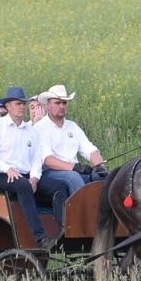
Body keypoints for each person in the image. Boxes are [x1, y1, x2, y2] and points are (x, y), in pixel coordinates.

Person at [0, 86, 51, 246]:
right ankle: (40, 236)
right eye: (18, 104)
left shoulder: (31, 130)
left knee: (58, 185)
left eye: (24, 104)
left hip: (24, 175)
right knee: (23, 186)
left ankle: (62, 231)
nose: (22, 107)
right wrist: (6, 168)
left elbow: (37, 159)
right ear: (8, 106)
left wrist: (34, 177)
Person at [31, 84, 105, 217]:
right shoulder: (40, 128)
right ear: (48, 105)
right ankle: (85, 220)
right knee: (74, 178)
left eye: (64, 103)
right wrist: (74, 167)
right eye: (57, 103)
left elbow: (90, 150)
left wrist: (100, 166)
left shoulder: (73, 126)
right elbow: (47, 160)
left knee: (104, 177)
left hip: (72, 169)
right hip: (50, 172)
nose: (62, 106)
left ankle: (109, 218)